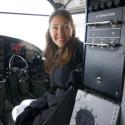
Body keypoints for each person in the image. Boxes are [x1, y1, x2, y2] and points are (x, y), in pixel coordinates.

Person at [13, 9, 83, 125]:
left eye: (65, 27)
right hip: (54, 104)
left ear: (72, 28)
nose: (60, 33)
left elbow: (69, 99)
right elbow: (53, 90)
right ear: (49, 30)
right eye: (55, 27)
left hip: (63, 112)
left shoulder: (80, 51)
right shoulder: (57, 52)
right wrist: (33, 108)